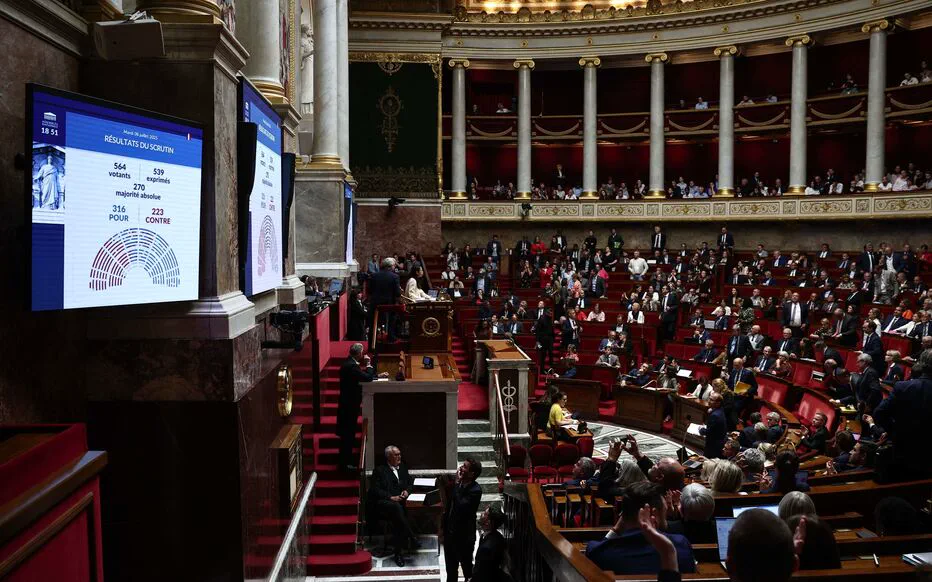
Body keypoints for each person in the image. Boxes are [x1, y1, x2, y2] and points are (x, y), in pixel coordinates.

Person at [585, 482, 696, 575]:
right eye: (665, 510)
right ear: (653, 514)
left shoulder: (597, 551)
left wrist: (616, 529)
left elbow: (600, 548)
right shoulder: (680, 545)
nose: (666, 516)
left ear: (623, 517)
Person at [873, 349, 932, 479]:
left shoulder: (903, 387)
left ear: (921, 364)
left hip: (903, 448)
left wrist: (893, 430)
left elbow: (879, 413)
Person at [368, 445, 417, 565]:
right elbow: (375, 490)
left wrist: (407, 491)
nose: (399, 456)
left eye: (399, 454)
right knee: (396, 508)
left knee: (398, 518)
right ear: (388, 457)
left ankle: (398, 553)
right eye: (396, 455)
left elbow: (410, 483)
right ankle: (411, 537)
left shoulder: (403, 467)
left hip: (399, 505)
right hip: (383, 505)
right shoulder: (379, 470)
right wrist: (391, 497)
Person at [338, 344, 385, 469]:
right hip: (349, 407)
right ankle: (345, 464)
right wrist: (369, 364)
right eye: (362, 352)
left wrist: (377, 376)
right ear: (359, 354)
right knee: (348, 435)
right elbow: (367, 377)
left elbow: (360, 377)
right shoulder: (352, 366)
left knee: (347, 435)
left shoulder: (349, 363)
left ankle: (345, 462)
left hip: (347, 405)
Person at [443, 458, 483, 582]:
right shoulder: (457, 484)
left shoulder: (475, 490)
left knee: (467, 570)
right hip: (450, 535)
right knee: (450, 570)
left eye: (465, 467)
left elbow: (461, 505)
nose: (461, 468)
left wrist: (456, 484)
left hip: (464, 538)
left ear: (472, 474)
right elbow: (449, 506)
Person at [368, 258, 403, 341]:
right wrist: (400, 291)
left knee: (373, 323)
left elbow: (370, 291)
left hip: (375, 304)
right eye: (394, 266)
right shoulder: (395, 276)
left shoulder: (374, 275)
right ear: (390, 266)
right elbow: (397, 293)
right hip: (389, 305)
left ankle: (372, 341)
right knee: (393, 316)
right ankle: (391, 336)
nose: (394, 267)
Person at [472, 506, 508, 582]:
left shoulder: (486, 548)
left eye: (485, 514)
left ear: (488, 522)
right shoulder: (497, 536)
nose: (481, 514)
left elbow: (482, 574)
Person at [699, 392, 727, 459]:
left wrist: (701, 429)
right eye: (709, 398)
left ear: (718, 403)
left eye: (711, 400)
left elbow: (709, 432)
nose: (709, 401)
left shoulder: (715, 415)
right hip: (719, 441)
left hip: (713, 444)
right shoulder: (720, 410)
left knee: (707, 461)